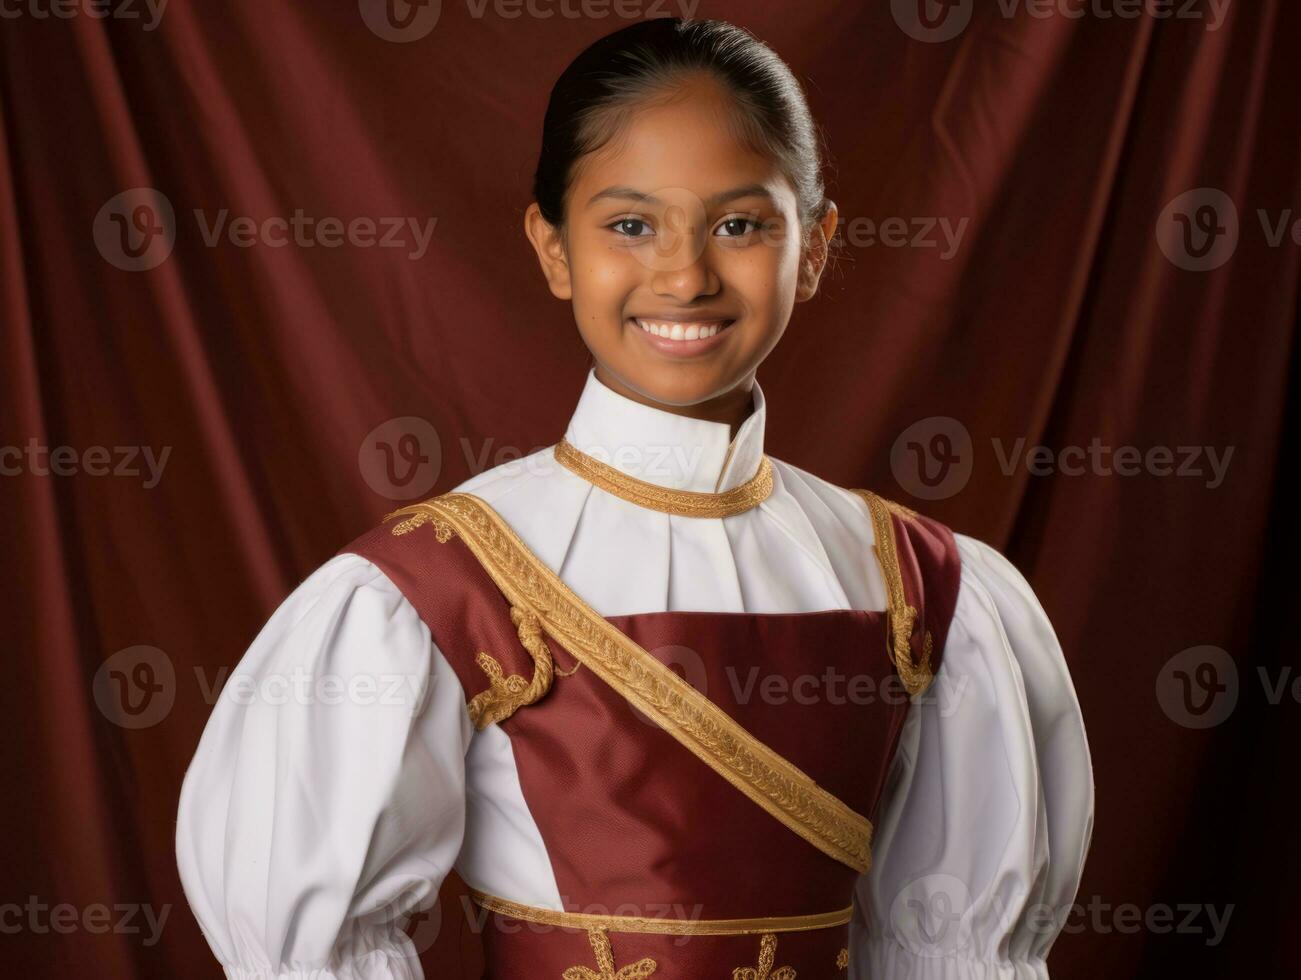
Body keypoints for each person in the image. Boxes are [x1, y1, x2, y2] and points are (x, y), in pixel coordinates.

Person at [176, 17, 1093, 979]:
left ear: (814, 247)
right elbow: (314, 954)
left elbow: (951, 950)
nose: (685, 274)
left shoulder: (927, 587)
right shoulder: (428, 588)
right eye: (628, 225)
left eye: (739, 225)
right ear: (553, 246)